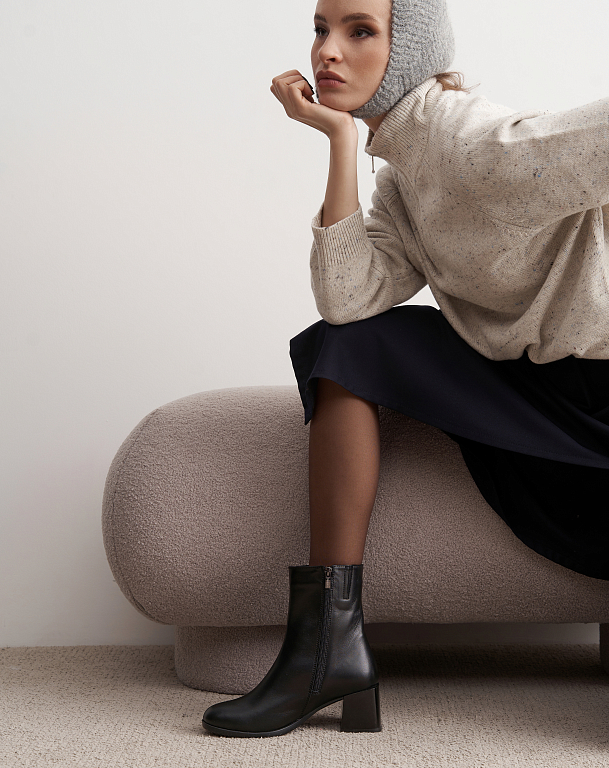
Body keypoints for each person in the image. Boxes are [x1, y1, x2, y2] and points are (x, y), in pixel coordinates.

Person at [202, 0, 609, 738]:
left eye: (359, 31)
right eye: (321, 29)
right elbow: (347, 298)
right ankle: (327, 651)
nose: (328, 51)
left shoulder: (481, 146)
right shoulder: (403, 180)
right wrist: (338, 141)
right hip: (529, 386)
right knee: (349, 346)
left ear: (412, 48)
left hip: (598, 397)